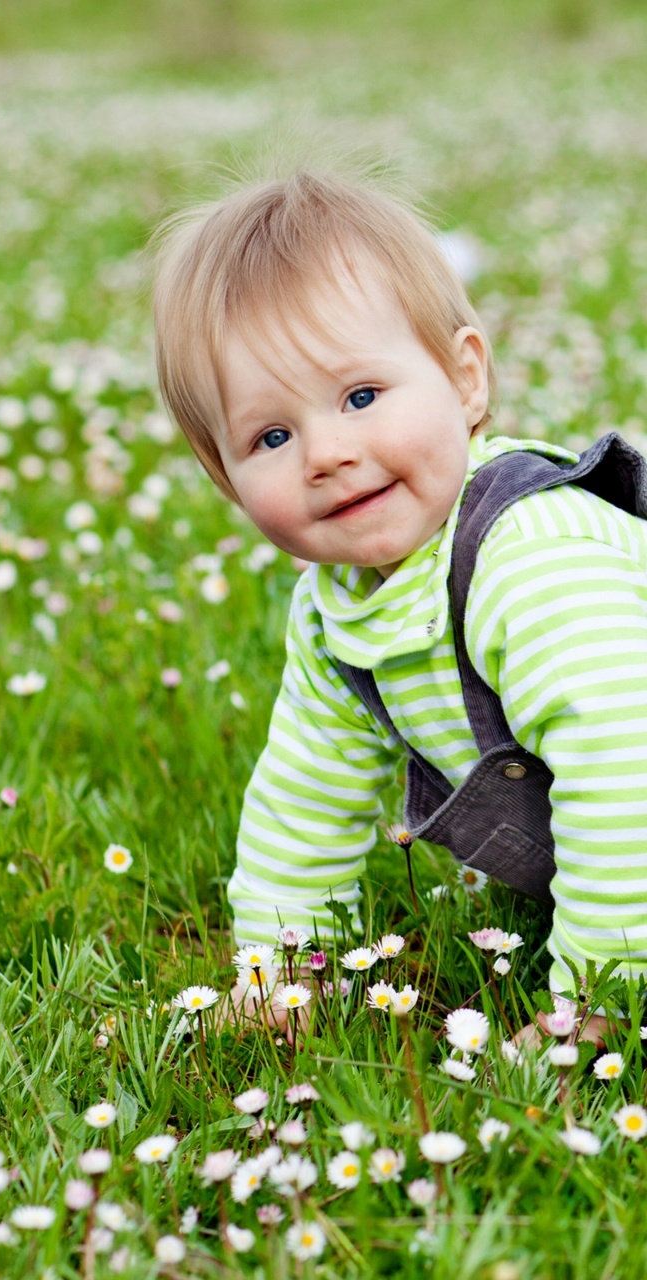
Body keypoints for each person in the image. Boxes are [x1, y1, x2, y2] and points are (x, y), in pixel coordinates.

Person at [153, 168, 647, 1041]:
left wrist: (594, 1002)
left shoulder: (530, 562)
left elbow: (626, 771)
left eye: (360, 396)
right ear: (224, 479)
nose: (327, 453)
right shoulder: (335, 612)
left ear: (464, 381)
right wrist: (276, 976)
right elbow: (304, 800)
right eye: (272, 436)